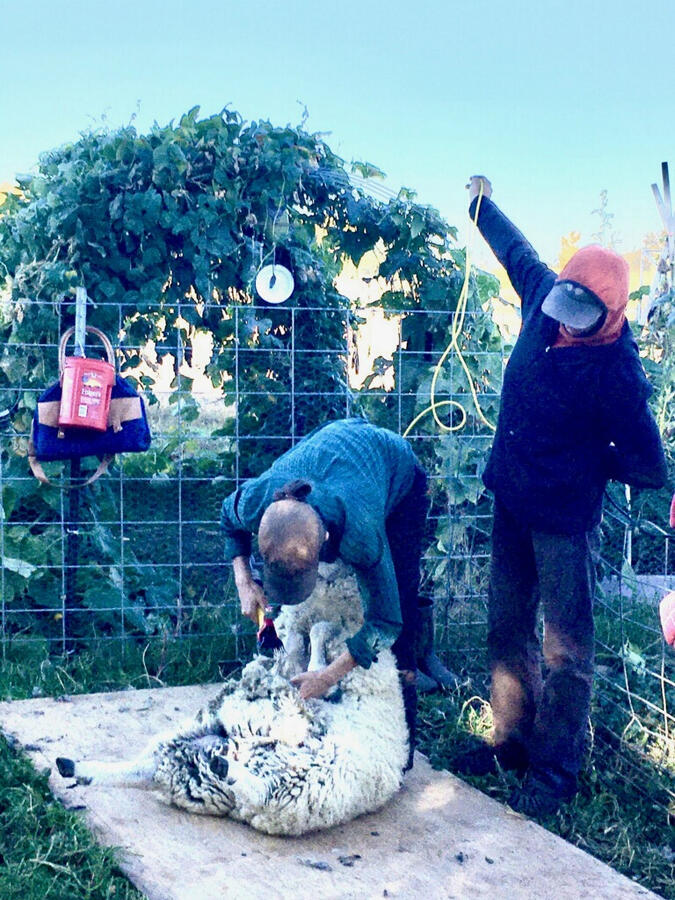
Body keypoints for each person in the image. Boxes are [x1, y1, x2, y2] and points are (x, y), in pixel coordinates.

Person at [454, 176, 668, 816]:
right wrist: (481, 207)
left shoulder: (619, 373)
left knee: (566, 650)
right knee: (505, 625)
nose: (567, 327)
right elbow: (516, 251)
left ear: (614, 312)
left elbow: (645, 464)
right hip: (512, 496)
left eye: (585, 321)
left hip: (563, 520)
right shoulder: (545, 295)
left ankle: (554, 773)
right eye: (563, 314)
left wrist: (586, 466)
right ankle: (512, 745)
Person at [220, 417, 429, 771]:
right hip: (336, 446)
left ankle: (399, 740)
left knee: (400, 603)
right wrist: (245, 581)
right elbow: (228, 516)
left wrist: (329, 676)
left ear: (327, 542)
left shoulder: (361, 534)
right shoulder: (261, 498)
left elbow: (386, 621)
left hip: (396, 472)